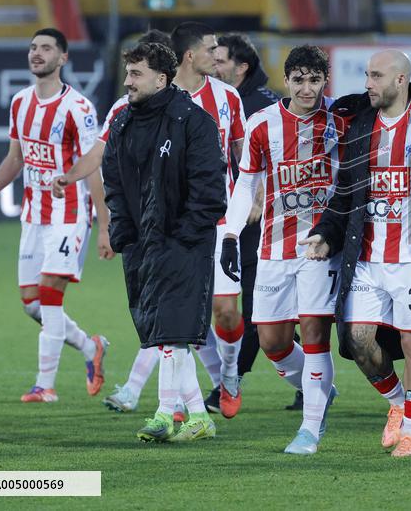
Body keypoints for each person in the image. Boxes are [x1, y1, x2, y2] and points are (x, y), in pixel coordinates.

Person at [301, 49, 411, 457]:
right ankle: (399, 403)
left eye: (376, 76)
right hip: (367, 260)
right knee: (358, 341)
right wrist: (325, 233)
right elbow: (344, 192)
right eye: (366, 75)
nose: (367, 84)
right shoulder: (362, 126)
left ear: (400, 80)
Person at [0, 28, 109, 403]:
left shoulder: (78, 108)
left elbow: (93, 165)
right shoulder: (20, 103)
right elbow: (16, 157)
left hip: (70, 212)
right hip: (34, 214)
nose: (37, 53)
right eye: (33, 48)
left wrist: (105, 223)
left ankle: (45, 385)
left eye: (46, 48)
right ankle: (91, 347)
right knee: (32, 304)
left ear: (63, 58)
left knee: (49, 296)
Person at [53, 30, 186, 417]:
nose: (129, 80)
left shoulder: (194, 109)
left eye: (136, 71)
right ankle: (191, 400)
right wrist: (76, 182)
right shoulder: (123, 111)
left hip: (191, 227)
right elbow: (101, 156)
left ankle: (163, 397)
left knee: (178, 319)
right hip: (145, 228)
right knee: (169, 318)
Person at [218, 45, 342, 454]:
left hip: (320, 247)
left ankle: (309, 428)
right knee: (272, 342)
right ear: (286, 80)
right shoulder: (262, 125)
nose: (307, 88)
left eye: (315, 79)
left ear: (325, 80)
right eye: (299, 79)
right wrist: (232, 235)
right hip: (273, 246)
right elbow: (245, 185)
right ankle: (320, 387)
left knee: (313, 331)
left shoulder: (341, 122)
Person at [101, 41, 227, 442]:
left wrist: (186, 234)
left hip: (182, 242)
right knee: (162, 333)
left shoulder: (193, 122)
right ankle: (198, 417)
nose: (127, 82)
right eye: (127, 73)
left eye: (136, 74)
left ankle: (162, 413)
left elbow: (210, 189)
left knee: (171, 331)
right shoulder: (122, 123)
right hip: (141, 245)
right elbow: (114, 184)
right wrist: (124, 233)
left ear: (161, 78)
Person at [213, 33, 299, 408]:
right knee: (253, 309)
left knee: (257, 308)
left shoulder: (260, 106)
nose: (214, 66)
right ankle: (308, 384)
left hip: (264, 223)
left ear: (241, 66)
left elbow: (271, 164)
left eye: (221, 60)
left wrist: (256, 205)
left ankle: (229, 383)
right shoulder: (222, 101)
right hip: (237, 221)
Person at [170, 22, 247, 418]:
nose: (218, 56)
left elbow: (245, 159)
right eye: (211, 49)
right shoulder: (160, 98)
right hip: (175, 225)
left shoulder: (228, 98)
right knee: (183, 315)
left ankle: (230, 375)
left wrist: (253, 200)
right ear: (189, 55)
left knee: (225, 312)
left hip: (221, 222)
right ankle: (180, 399)